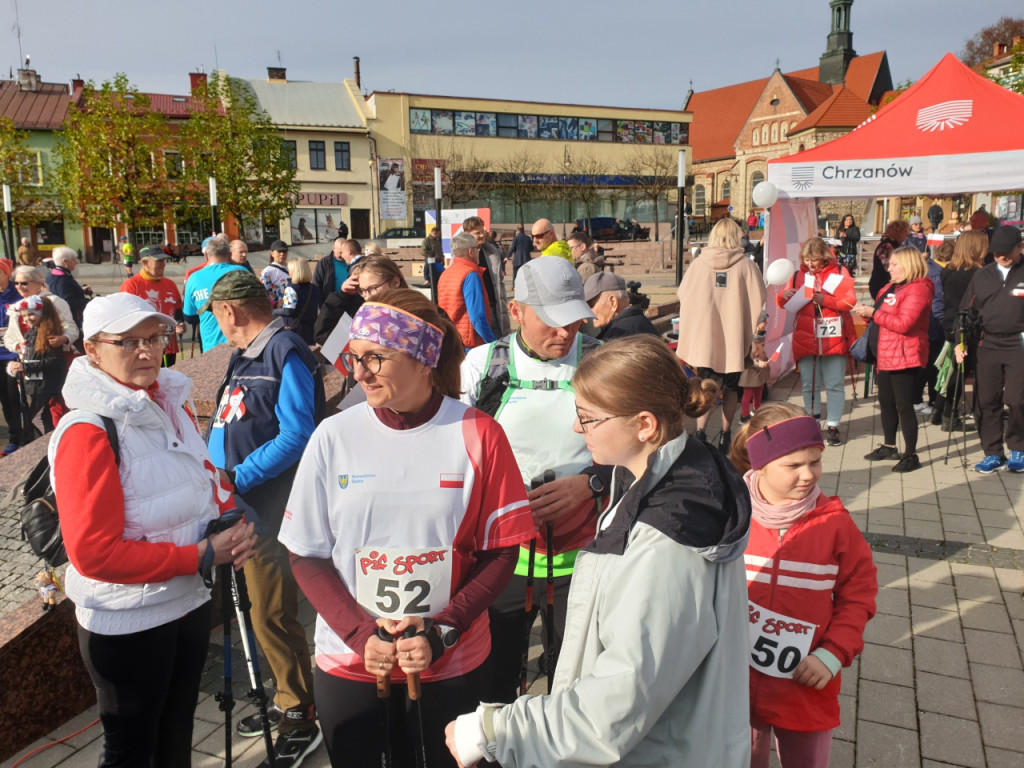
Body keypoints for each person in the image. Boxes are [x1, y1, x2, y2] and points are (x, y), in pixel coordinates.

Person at [446, 335, 752, 768]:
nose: (576, 429)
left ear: (644, 425)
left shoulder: (665, 540)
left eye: (588, 418)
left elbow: (618, 705)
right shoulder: (669, 476)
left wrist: (494, 729)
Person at [278, 290, 535, 768]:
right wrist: (360, 636)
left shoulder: (479, 433)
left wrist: (444, 629)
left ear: (424, 359)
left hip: (448, 659)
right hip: (353, 662)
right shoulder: (333, 435)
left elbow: (502, 552)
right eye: (354, 358)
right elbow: (306, 554)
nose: (359, 372)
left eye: (376, 357)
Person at [49, 292, 256, 767]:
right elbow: (94, 554)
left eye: (154, 337)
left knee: (176, 735)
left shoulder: (168, 398)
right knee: (132, 751)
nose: (146, 351)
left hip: (186, 601)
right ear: (93, 351)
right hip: (129, 622)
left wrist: (229, 519)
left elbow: (203, 477)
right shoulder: (89, 430)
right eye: (127, 341)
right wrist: (203, 554)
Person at [460, 257, 606, 705]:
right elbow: (451, 455)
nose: (565, 334)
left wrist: (591, 483)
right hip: (504, 557)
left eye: (574, 320)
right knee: (496, 680)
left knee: (575, 682)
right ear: (517, 310)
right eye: (552, 321)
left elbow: (651, 446)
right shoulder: (481, 365)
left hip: (584, 555)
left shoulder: (604, 361)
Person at [203, 269, 327, 764]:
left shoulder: (283, 349)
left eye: (214, 315)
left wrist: (239, 476)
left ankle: (300, 712)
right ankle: (283, 697)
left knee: (271, 612)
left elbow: (298, 433)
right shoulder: (246, 352)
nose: (215, 322)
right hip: (239, 506)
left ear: (229, 312)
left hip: (266, 508)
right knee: (257, 611)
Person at [730, 404, 877, 768]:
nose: (809, 475)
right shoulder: (730, 517)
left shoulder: (836, 524)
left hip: (806, 680)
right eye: (793, 465)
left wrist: (832, 654)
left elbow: (859, 596)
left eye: (815, 461)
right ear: (759, 465)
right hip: (733, 677)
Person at [675, 217, 766, 452]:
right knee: (732, 389)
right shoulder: (746, 265)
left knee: (706, 385)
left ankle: (701, 432)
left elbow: (683, 294)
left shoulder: (698, 264)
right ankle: (726, 434)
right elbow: (760, 299)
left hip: (705, 340)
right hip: (734, 339)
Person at [853, 247, 933, 473]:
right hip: (884, 353)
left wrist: (874, 314)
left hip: (905, 355)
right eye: (890, 264)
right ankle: (889, 446)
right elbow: (879, 317)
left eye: (895, 264)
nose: (889, 268)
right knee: (886, 402)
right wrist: (865, 313)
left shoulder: (918, 289)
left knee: (904, 406)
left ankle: (911, 454)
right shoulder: (889, 287)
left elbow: (904, 324)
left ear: (909, 265)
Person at [956, 225, 1024, 474]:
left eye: (1006, 252)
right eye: (996, 252)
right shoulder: (982, 276)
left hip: (1020, 342)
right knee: (986, 400)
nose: (1001, 256)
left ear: (1020, 248)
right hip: (988, 343)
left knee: (1017, 399)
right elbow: (965, 313)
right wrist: (959, 343)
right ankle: (993, 452)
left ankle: (1019, 447)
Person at [778, 237, 856, 446]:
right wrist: (784, 295)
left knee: (834, 383)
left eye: (815, 260)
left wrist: (826, 300)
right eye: (807, 259)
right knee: (808, 385)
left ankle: (833, 425)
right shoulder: (798, 275)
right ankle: (812, 422)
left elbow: (850, 301)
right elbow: (783, 301)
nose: (811, 264)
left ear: (824, 257)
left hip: (833, 337)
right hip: (806, 336)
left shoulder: (840, 272)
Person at [938, 230, 987, 431]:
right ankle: (953, 414)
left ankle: (945, 411)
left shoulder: (948, 270)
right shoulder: (977, 274)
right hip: (968, 327)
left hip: (951, 323)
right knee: (966, 372)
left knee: (956, 371)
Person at [7, 296, 67, 439]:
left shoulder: (49, 333)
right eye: (24, 316)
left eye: (31, 314)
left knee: (36, 418)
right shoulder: (32, 331)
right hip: (36, 383)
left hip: (46, 384)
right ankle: (46, 447)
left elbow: (53, 361)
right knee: (43, 417)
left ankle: (44, 447)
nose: (27, 319)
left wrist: (25, 366)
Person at [121, 246, 188, 366]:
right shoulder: (131, 285)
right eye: (159, 261)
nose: (163, 264)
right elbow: (126, 320)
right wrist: (153, 328)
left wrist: (180, 324)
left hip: (169, 348)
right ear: (145, 263)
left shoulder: (170, 284)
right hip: (145, 349)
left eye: (164, 260)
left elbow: (177, 310)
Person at [182, 237, 245, 352]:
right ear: (230, 255)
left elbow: (189, 317)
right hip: (242, 345)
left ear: (206, 256)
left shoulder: (194, 278)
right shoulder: (242, 272)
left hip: (211, 347)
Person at [438, 232, 497, 349]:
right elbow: (477, 316)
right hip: (470, 343)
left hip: (452, 339)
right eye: (477, 248)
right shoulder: (470, 274)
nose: (478, 251)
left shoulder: (445, 274)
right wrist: (493, 342)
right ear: (471, 251)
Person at [463, 216, 510, 336]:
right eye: (477, 233)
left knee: (497, 343)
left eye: (482, 231)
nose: (482, 235)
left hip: (493, 305)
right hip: (475, 309)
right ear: (466, 234)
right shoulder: (461, 256)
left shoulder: (491, 252)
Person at [583, 271, 658, 340]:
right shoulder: (639, 320)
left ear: (613, 302)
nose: (587, 311)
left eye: (591, 305)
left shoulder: (618, 335)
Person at [274, 258, 322, 345]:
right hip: (310, 330)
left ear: (293, 272)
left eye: (289, 270)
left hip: (295, 331)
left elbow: (288, 311)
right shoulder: (313, 288)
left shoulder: (291, 289)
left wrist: (274, 311)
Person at [0, 258, 21, 454]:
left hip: (13, 355)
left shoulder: (17, 295)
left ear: (7, 274)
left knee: (15, 399)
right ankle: (14, 439)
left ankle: (22, 437)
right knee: (5, 401)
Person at [45, 246, 91, 335]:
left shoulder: (54, 274)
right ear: (65, 262)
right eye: (73, 260)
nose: (76, 262)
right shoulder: (61, 279)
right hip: (67, 319)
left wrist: (81, 290)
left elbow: (65, 291)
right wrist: (90, 302)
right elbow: (68, 301)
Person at [313, 238, 359, 310]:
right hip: (331, 305)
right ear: (333, 248)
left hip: (349, 304)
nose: (342, 255)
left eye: (343, 252)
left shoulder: (350, 261)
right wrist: (322, 306)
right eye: (339, 252)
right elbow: (317, 284)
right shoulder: (324, 263)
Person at [869, 220, 910, 300]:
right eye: (905, 231)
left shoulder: (897, 245)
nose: (907, 234)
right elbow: (889, 267)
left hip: (891, 284)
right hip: (882, 284)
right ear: (899, 232)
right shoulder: (886, 246)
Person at [261, 239, 292, 309]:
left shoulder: (292, 268)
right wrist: (276, 304)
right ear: (272, 253)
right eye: (279, 251)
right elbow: (264, 291)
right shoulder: (267, 272)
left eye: (284, 251)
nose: (282, 254)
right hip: (278, 308)